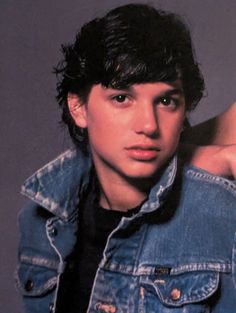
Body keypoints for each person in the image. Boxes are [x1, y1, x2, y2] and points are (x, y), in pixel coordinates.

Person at [16, 4, 236, 313]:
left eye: (165, 100)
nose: (148, 124)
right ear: (79, 108)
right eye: (122, 98)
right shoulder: (39, 221)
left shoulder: (224, 220)